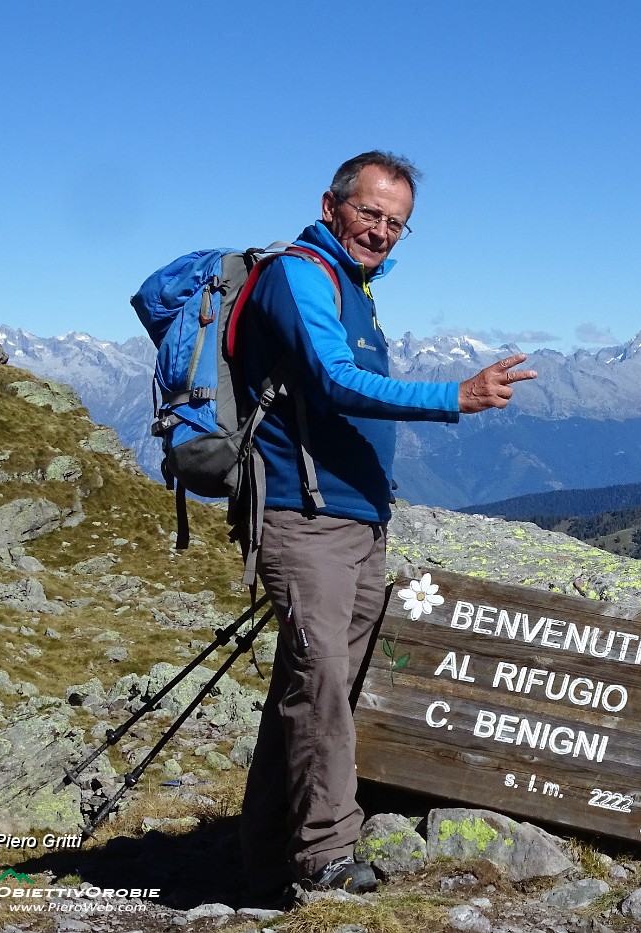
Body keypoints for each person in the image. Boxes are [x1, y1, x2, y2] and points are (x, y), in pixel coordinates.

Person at [236, 150, 537, 899]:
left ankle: (266, 841)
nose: (380, 231)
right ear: (332, 204)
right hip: (303, 521)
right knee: (323, 679)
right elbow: (335, 380)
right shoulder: (301, 275)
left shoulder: (354, 284)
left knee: (313, 682)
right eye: (369, 212)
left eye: (396, 223)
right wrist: (453, 396)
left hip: (356, 523)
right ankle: (329, 855)